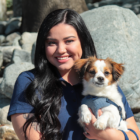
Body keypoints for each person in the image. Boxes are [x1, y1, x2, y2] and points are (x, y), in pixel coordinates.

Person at [7, 9, 140, 140]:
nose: (61, 50)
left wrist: (111, 136)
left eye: (69, 41)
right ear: (43, 46)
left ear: (82, 41)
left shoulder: (104, 85)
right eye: (52, 42)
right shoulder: (29, 81)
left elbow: (135, 134)